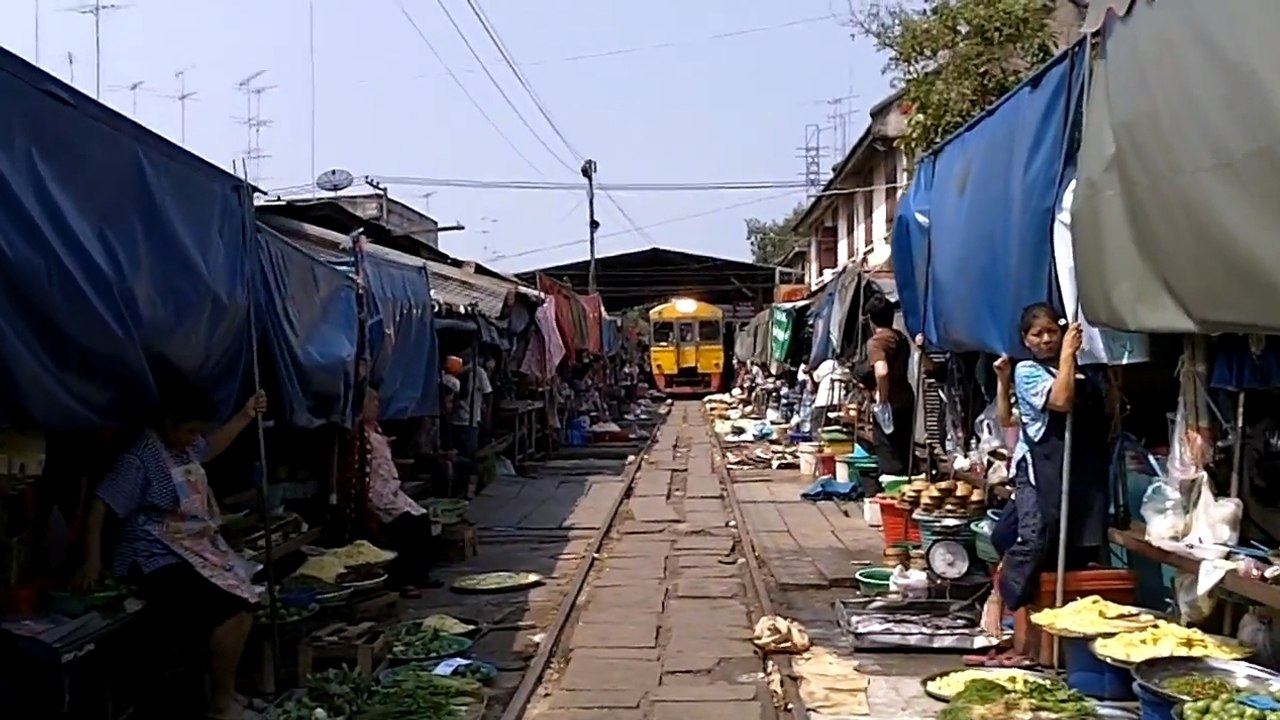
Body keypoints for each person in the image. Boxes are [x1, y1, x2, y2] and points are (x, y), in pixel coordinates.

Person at [77, 387, 268, 720]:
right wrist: (91, 561)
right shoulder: (139, 459)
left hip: (189, 549)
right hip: (151, 558)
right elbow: (100, 506)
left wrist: (245, 415)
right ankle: (220, 706)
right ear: (168, 423)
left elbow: (210, 448)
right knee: (226, 615)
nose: (195, 439)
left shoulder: (183, 447)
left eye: (198, 431)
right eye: (190, 430)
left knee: (245, 609)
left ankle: (228, 692)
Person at [997, 303, 1111, 613]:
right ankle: (1004, 602)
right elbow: (1060, 401)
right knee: (1035, 540)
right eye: (1038, 334)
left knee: (1073, 547)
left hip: (1078, 473)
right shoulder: (1028, 371)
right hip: (1042, 469)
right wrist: (1067, 355)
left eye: (1052, 332)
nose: (1047, 339)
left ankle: (1052, 612)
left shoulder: (1081, 371)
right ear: (1025, 339)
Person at [362, 389, 442, 596]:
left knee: (422, 517)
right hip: (375, 493)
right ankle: (403, 580)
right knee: (407, 524)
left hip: (391, 489)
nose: (376, 406)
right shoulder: (361, 436)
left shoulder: (375, 429)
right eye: (371, 402)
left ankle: (420, 575)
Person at [863, 294, 915, 487]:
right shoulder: (900, 338)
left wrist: (882, 399)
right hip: (906, 398)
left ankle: (892, 496)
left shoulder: (876, 342)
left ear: (870, 319)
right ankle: (906, 492)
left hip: (891, 403)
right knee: (904, 450)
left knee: (889, 454)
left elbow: (882, 371)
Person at [449, 355, 492, 463]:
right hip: (454, 420)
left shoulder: (478, 372)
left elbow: (488, 394)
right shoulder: (452, 368)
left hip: (471, 420)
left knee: (468, 455)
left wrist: (487, 417)